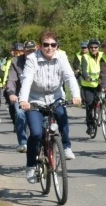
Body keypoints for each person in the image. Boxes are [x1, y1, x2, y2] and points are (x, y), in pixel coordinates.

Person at [18, 31, 81, 183]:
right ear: (40, 46)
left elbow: (69, 77)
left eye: (53, 45)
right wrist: (24, 100)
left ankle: (65, 146)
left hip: (55, 97)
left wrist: (76, 95)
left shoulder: (62, 57)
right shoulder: (32, 59)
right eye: (46, 44)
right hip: (35, 100)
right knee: (36, 133)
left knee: (62, 116)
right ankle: (31, 166)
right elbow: (27, 80)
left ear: (57, 46)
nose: (49, 48)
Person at [5, 40, 37, 152]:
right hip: (20, 96)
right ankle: (23, 142)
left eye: (33, 51)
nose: (30, 53)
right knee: (19, 114)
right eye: (28, 51)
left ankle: (47, 142)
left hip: (38, 96)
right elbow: (12, 80)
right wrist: (11, 93)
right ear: (24, 51)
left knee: (46, 119)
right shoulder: (16, 62)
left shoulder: (41, 60)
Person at [80, 38, 106, 136]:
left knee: (99, 100)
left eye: (95, 47)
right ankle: (90, 125)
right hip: (88, 85)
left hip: (99, 83)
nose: (94, 49)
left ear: (98, 48)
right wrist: (86, 77)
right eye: (91, 47)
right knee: (89, 105)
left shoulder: (102, 55)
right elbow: (84, 69)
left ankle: (101, 114)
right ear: (89, 48)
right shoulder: (85, 57)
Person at [2, 43, 25, 125]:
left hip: (20, 85)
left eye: (21, 52)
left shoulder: (25, 61)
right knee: (11, 103)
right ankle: (15, 121)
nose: (19, 54)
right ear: (13, 52)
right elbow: (6, 74)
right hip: (10, 84)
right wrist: (4, 83)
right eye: (17, 52)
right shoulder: (10, 61)